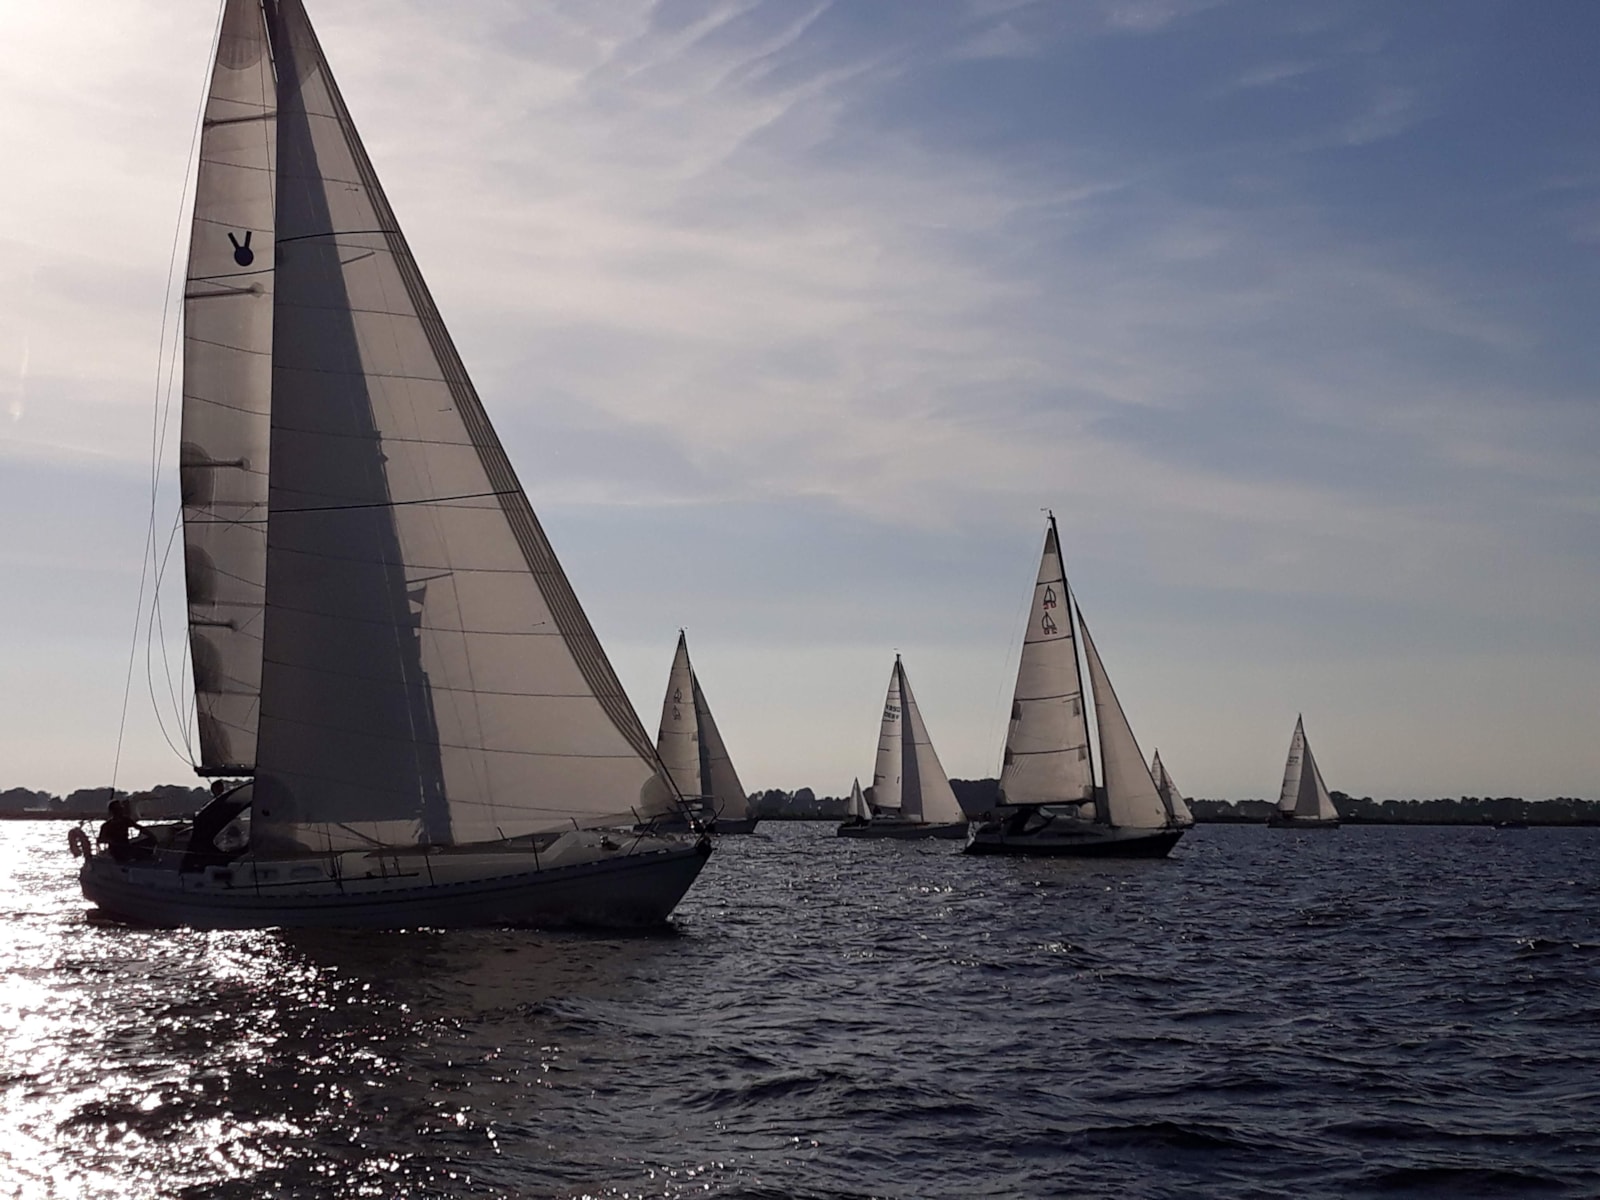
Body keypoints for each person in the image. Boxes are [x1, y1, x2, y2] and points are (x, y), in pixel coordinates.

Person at [96, 798, 141, 863]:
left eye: (121, 808)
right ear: (112, 811)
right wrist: (111, 840)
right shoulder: (107, 825)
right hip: (115, 850)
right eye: (117, 809)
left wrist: (151, 835)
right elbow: (101, 839)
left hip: (126, 847)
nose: (121, 810)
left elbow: (140, 828)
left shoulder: (126, 820)